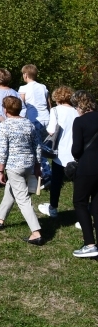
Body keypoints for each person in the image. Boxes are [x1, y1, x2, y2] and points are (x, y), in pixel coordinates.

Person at [0, 95, 43, 244]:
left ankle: (36, 232)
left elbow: (3, 150)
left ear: (5, 109)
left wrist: (0, 170)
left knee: (23, 199)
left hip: (14, 167)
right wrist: (37, 165)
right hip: (28, 165)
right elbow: (37, 146)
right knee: (12, 188)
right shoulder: (29, 124)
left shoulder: (6, 125)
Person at [38, 86, 77, 219]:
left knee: (56, 181)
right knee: (77, 185)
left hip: (60, 153)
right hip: (75, 153)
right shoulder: (77, 111)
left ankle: (53, 208)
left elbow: (51, 130)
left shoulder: (55, 111)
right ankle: (80, 211)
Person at [71, 90, 98, 258]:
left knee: (80, 202)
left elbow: (77, 150)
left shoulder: (79, 122)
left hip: (87, 168)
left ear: (79, 105)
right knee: (96, 205)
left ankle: (89, 243)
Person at [19, 64, 51, 185]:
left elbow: (20, 106)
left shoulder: (23, 88)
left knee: (36, 149)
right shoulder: (43, 87)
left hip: (34, 120)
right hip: (46, 119)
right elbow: (48, 104)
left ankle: (45, 175)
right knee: (42, 147)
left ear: (25, 75)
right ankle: (39, 174)